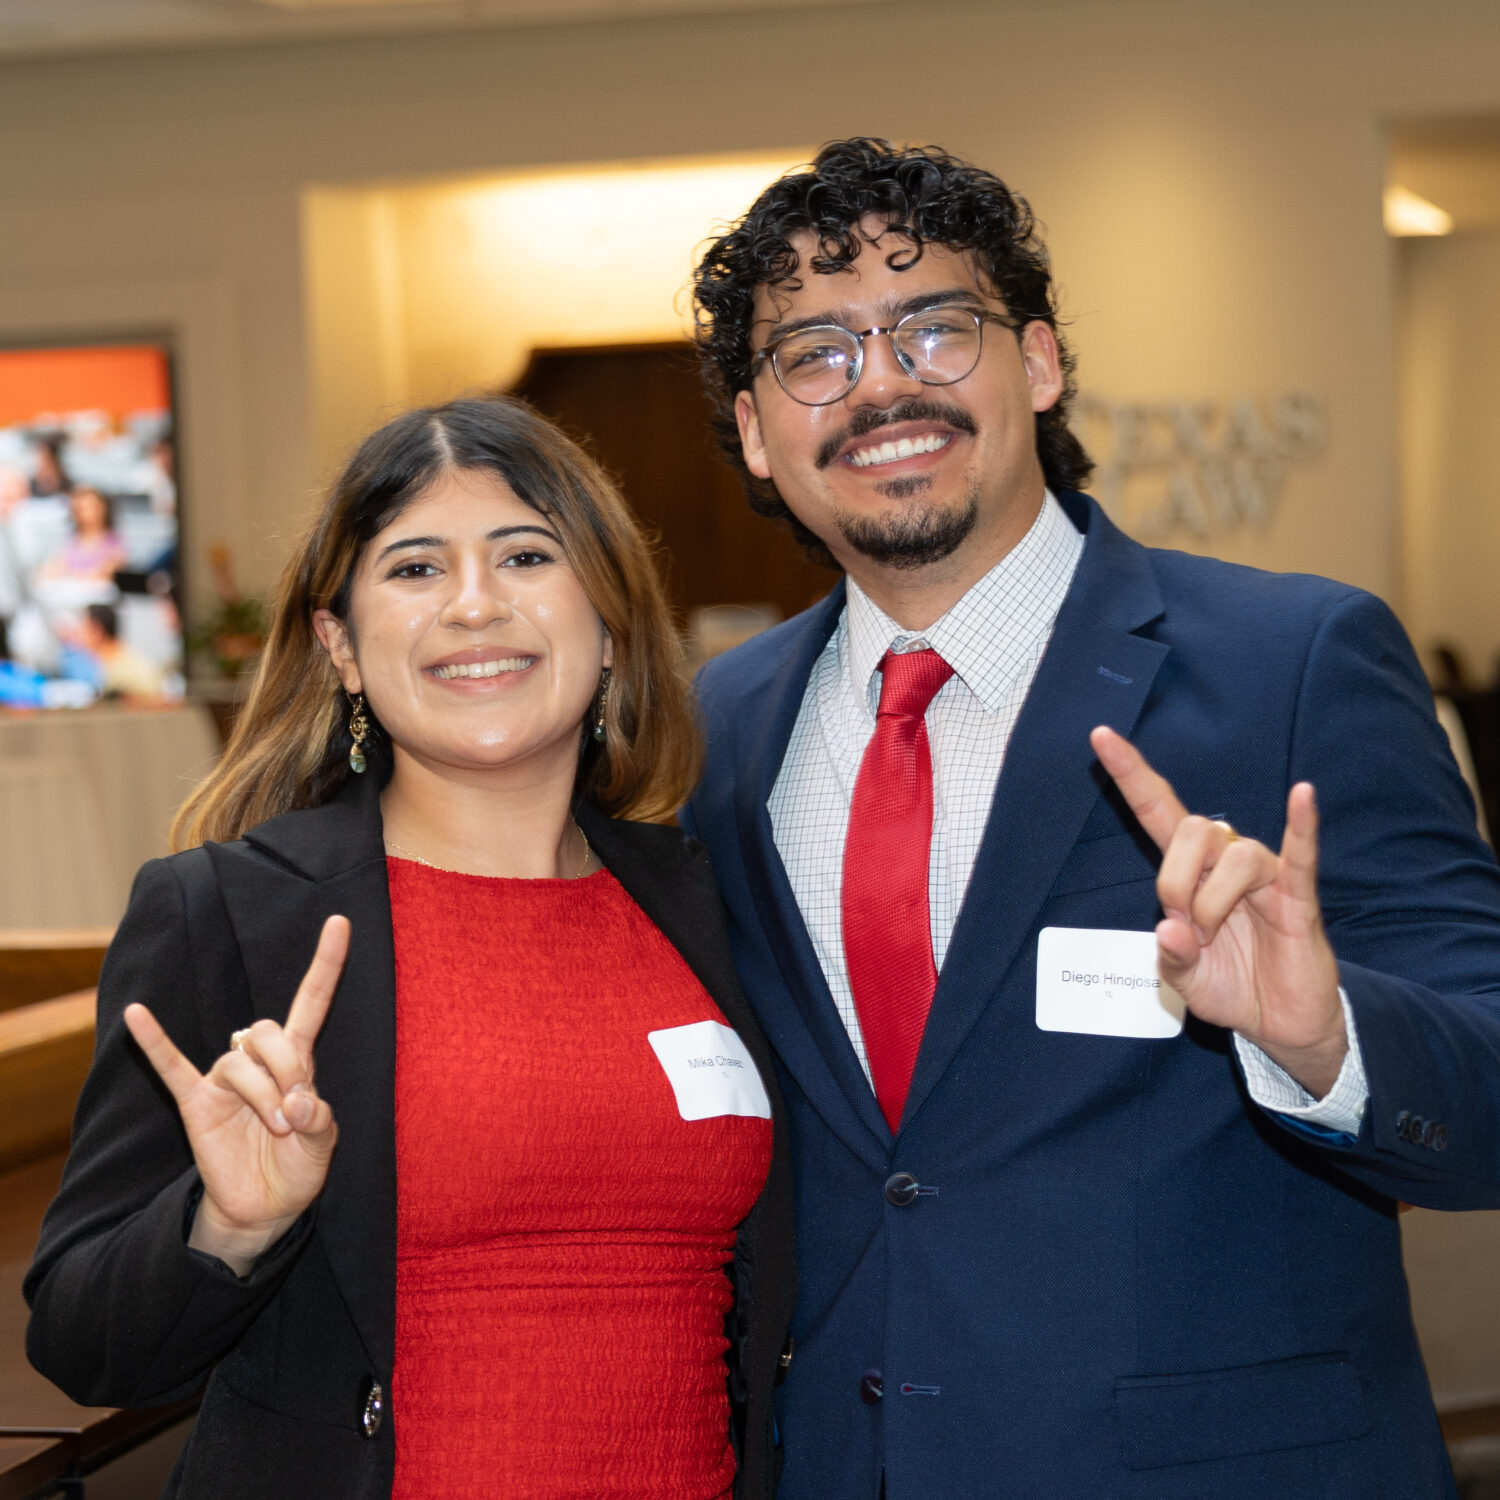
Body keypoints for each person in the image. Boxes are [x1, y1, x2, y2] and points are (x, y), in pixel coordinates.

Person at [684, 138, 1500, 1499]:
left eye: (936, 328)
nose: (883, 382)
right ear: (761, 435)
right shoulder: (714, 728)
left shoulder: (1294, 660)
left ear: (1043, 364)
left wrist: (1327, 1033)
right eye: (815, 352)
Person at [25, 396, 795, 1500]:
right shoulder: (234, 917)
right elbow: (90, 1347)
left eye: (527, 555)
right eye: (416, 569)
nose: (475, 606)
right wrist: (227, 1226)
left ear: (613, 620)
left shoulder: (715, 901)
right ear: (339, 645)